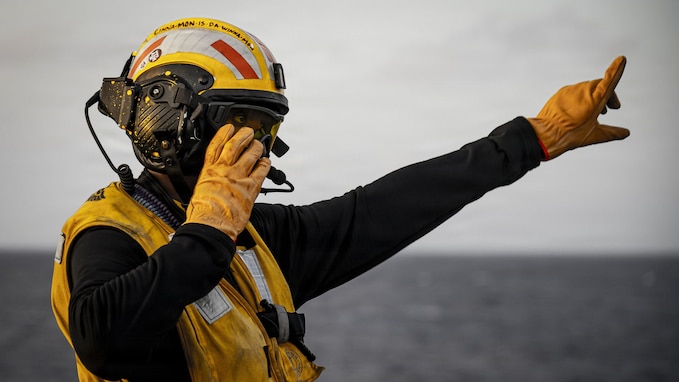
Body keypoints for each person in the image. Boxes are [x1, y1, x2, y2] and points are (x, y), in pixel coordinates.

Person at [50, 17, 630, 382]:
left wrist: (532, 138)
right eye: (243, 124)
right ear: (170, 118)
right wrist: (209, 227)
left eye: (265, 130)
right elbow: (103, 338)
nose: (259, 149)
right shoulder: (108, 234)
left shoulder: (254, 240)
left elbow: (381, 210)